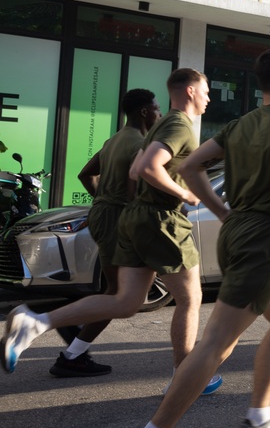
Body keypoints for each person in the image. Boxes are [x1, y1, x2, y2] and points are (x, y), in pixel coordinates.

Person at [111, 50, 270, 428]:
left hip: (243, 235)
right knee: (215, 344)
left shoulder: (240, 123)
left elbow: (191, 166)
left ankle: (259, 416)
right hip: (263, 240)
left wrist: (222, 211)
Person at [2, 69, 213, 389]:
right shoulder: (179, 124)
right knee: (190, 297)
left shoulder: (151, 130)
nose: (209, 98)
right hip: (159, 220)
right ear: (190, 92)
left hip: (135, 219)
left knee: (125, 301)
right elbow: (144, 168)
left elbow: (133, 169)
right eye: (206, 91)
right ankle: (184, 378)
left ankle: (36, 322)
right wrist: (184, 194)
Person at [48, 89, 161, 378]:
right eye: (157, 108)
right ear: (145, 112)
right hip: (116, 219)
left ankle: (73, 335)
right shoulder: (140, 144)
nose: (160, 113)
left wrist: (102, 201)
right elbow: (139, 191)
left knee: (119, 292)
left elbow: (86, 174)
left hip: (103, 215)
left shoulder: (113, 140)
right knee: (119, 295)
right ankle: (70, 344)